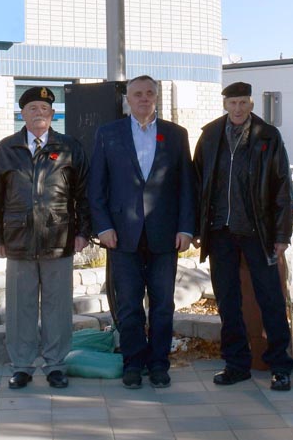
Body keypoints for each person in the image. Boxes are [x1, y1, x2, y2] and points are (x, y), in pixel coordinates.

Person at [88, 74, 196, 389]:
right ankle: (133, 363)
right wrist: (103, 227)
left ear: (157, 97)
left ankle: (159, 364)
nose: (144, 98)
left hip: (165, 235)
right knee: (129, 305)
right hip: (122, 236)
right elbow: (97, 186)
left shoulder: (176, 135)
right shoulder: (109, 134)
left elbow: (187, 186)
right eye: (138, 94)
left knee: (163, 304)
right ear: (128, 99)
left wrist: (186, 228)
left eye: (150, 93)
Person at [0, 86, 90, 389]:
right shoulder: (7, 149)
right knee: (21, 307)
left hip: (60, 237)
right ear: (22, 114)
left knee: (58, 306)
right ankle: (22, 366)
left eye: (44, 109)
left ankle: (56, 365)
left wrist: (83, 231)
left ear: (53, 114)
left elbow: (83, 194)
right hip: (17, 240)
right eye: (33, 109)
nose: (39, 114)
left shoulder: (69, 148)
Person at [193, 81, 293, 392]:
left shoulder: (268, 137)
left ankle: (280, 366)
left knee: (271, 300)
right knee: (227, 301)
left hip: (258, 231)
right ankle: (236, 364)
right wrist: (198, 228)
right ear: (225, 104)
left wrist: (281, 234)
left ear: (251, 105)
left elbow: (282, 189)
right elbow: (197, 183)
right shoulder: (210, 135)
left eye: (243, 103)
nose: (237, 108)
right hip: (219, 231)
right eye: (232, 103)